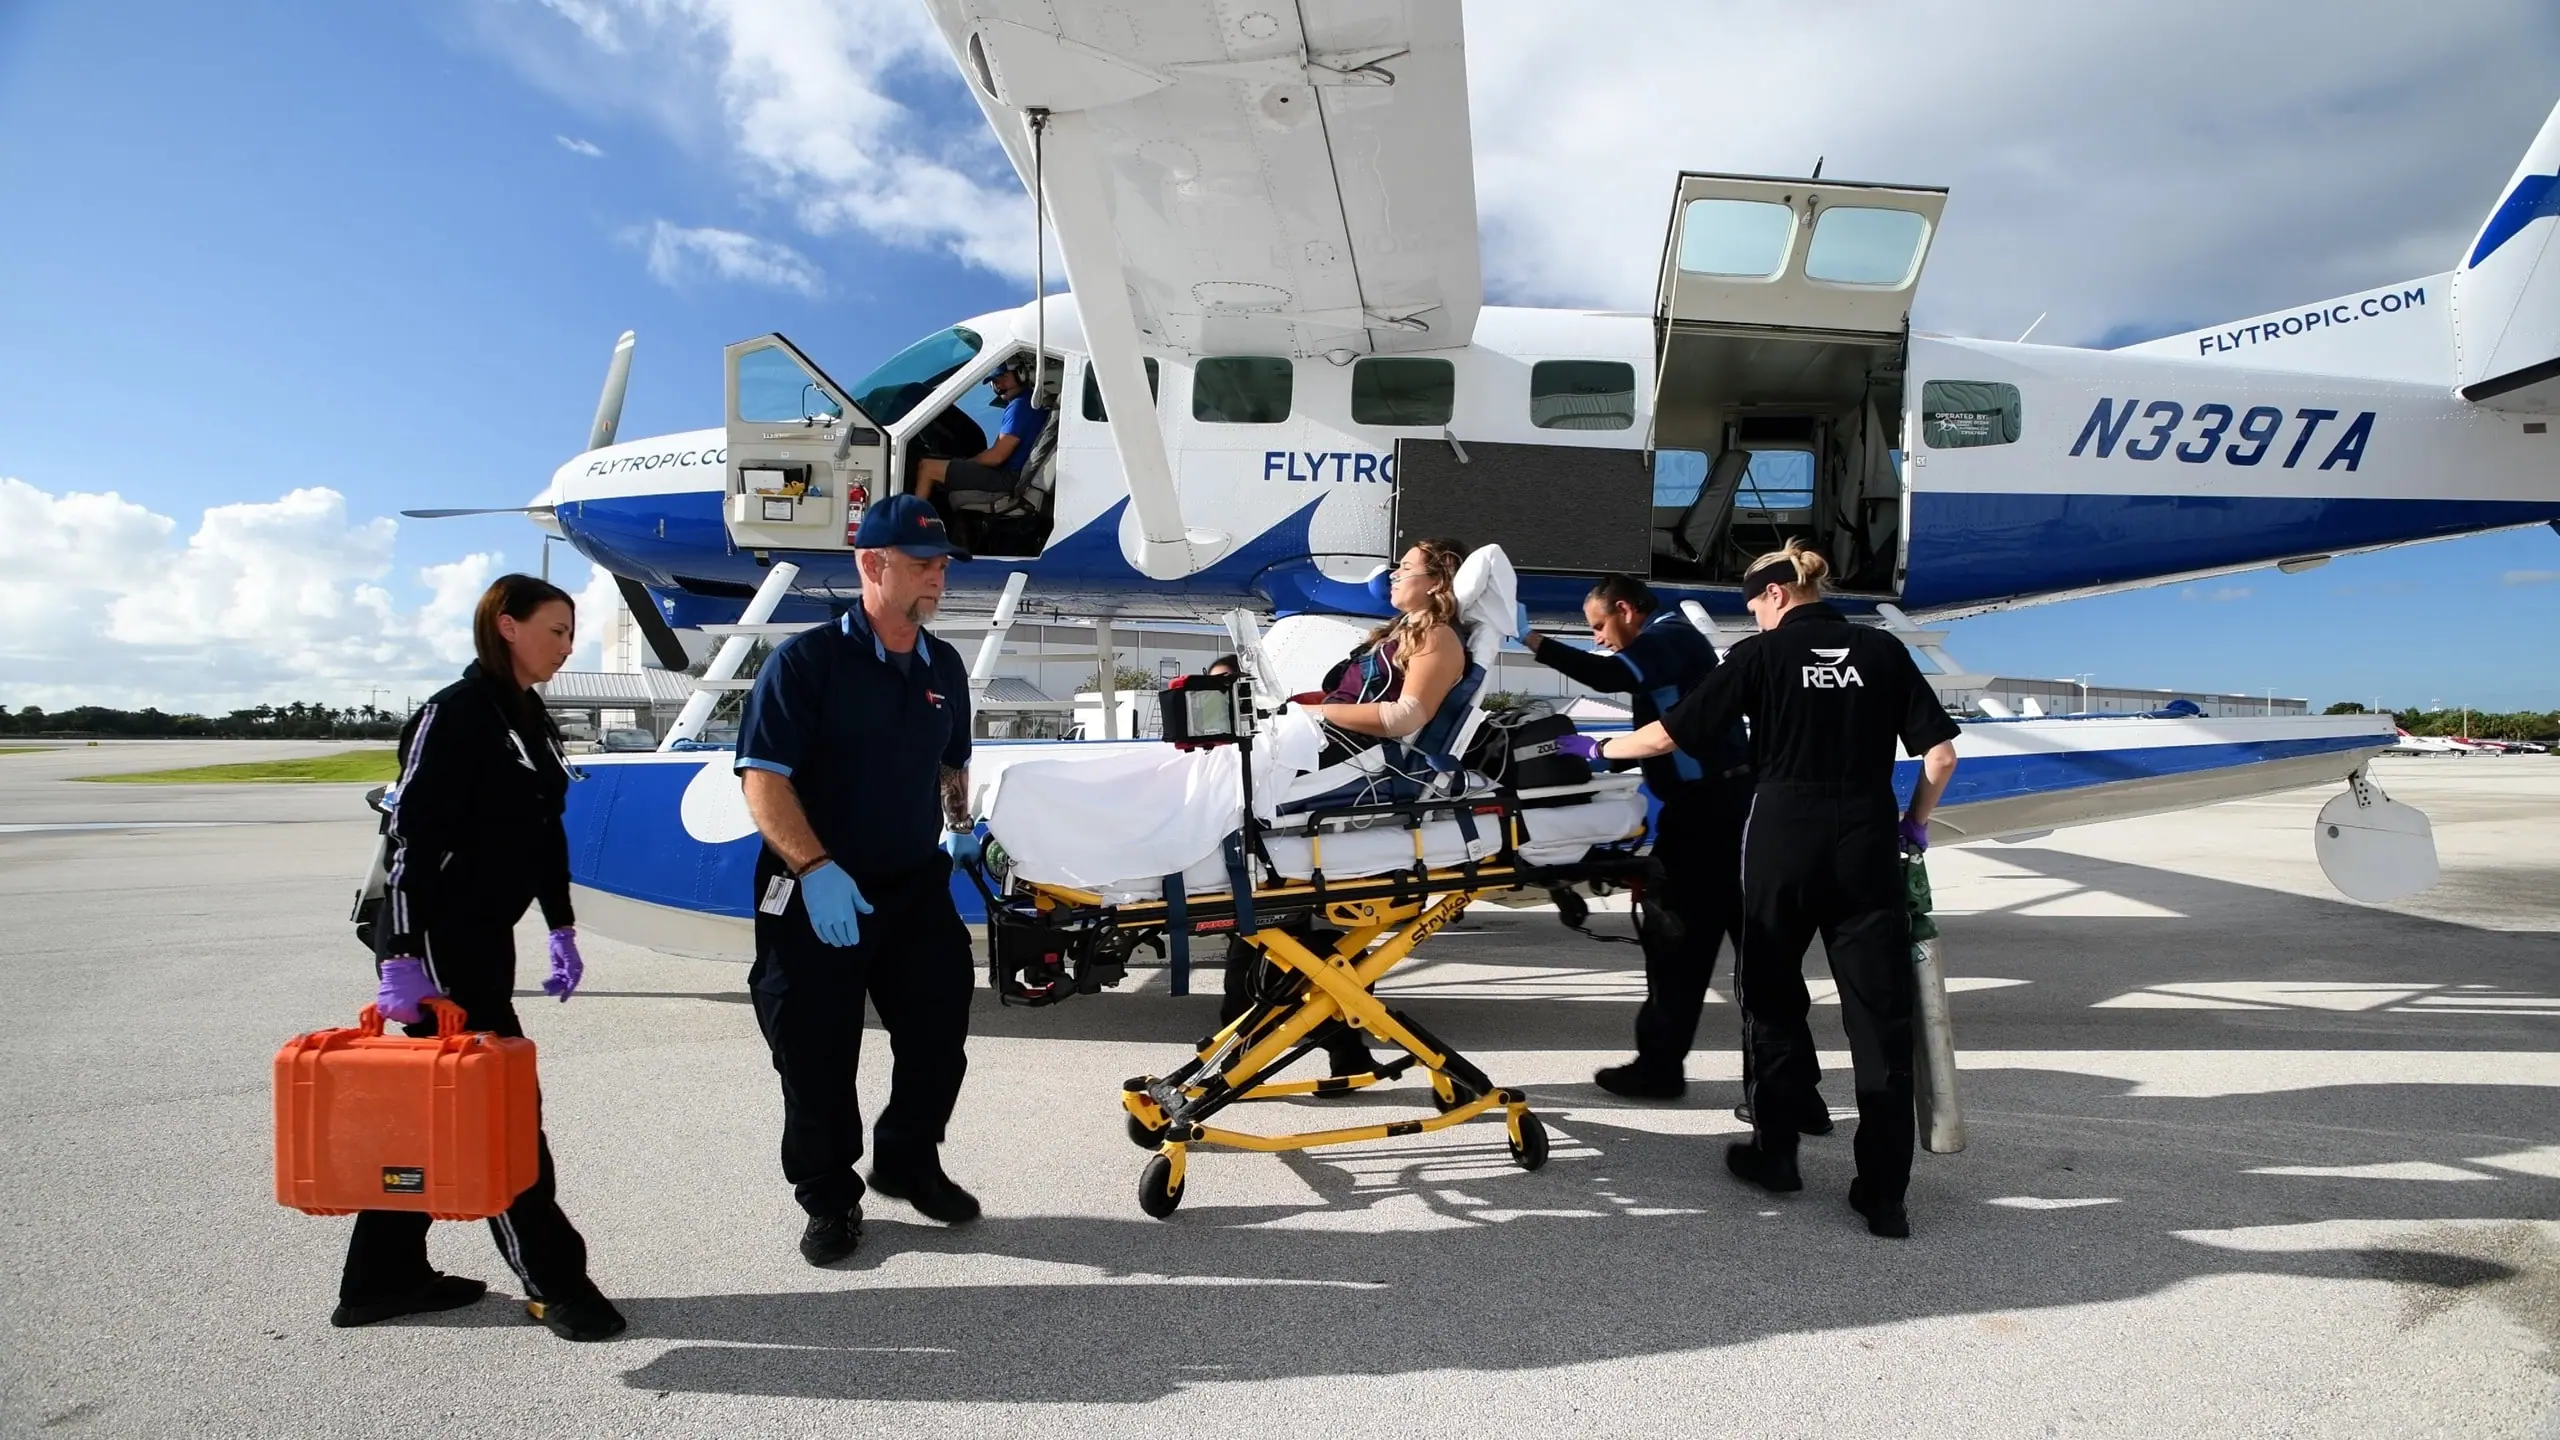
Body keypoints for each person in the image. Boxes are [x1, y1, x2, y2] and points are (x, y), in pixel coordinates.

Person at [1572, 539, 1959, 1238]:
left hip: (1782, 837)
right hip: (1866, 842)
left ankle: (1775, 1155)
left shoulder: (1759, 656)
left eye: (1754, 604)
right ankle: (1884, 1195)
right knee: (1880, 1020)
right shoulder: (1882, 654)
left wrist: (1596, 749)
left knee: (1772, 998)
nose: (1753, 616)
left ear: (1776, 593)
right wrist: (1914, 824)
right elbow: (1940, 755)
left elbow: (1665, 738)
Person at [340, 573, 626, 1341]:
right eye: (556, 630)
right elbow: (409, 841)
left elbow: (544, 833)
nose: (568, 647)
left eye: (572, 633)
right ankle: (556, 1283)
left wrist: (561, 927)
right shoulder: (455, 714)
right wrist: (401, 956)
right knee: (497, 1108)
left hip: (483, 936)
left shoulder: (527, 717)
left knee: (434, 1111)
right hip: (435, 943)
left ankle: (381, 1275)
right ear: (506, 626)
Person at [734, 494, 984, 1266]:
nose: (937, 578)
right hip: (816, 890)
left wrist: (963, 829)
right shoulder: (806, 663)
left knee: (941, 1035)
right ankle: (830, 1198)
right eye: (921, 565)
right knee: (815, 1052)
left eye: (942, 564)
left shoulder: (943, 664)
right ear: (870, 565)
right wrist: (814, 868)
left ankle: (907, 1160)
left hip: (911, 885)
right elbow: (763, 780)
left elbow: (953, 759)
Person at [1525, 574, 1827, 1126]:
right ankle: (1793, 1092)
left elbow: (1608, 675)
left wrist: (1534, 642)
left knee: (1679, 945)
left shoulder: (1668, 638)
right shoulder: (1669, 647)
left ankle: (1666, 1070)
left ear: (1626, 609)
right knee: (1756, 953)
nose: (1598, 638)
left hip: (1710, 815)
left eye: (1599, 626)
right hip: (1724, 808)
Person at [912, 359, 1045, 505]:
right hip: (1011, 475)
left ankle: (912, 522)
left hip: (1007, 478)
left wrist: (967, 463)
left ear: (1021, 374)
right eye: (995, 381)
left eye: (1003, 378)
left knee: (927, 467)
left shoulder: (1019, 406)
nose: (999, 385)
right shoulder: (1030, 403)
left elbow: (997, 457)